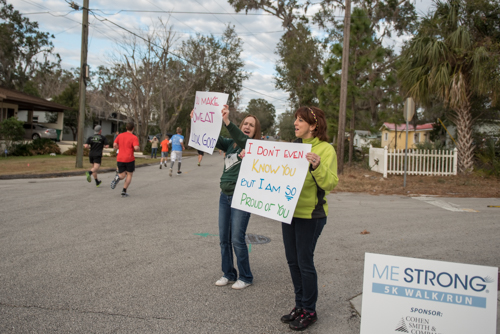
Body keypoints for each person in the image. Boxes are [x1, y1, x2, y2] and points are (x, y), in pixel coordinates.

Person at [280, 106, 338, 331]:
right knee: (292, 261)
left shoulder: (325, 149)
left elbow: (330, 183)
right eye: (295, 119)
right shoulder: (292, 147)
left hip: (311, 214)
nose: (296, 123)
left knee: (304, 262)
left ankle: (310, 310)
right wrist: (249, 157)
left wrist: (317, 166)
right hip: (288, 212)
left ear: (314, 126)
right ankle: (299, 306)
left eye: (301, 120)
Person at [191, 105, 261, 290]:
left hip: (242, 197)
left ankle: (246, 277)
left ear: (256, 131)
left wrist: (227, 121)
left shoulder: (254, 147)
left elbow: (242, 139)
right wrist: (196, 122)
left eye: (251, 125)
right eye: (245, 123)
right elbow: (209, 139)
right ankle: (229, 273)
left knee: (237, 238)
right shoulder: (230, 143)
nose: (247, 126)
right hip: (225, 196)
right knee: (224, 238)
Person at [110, 122, 140, 197]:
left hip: (120, 158)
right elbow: (136, 148)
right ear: (133, 128)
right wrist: (138, 148)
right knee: (129, 174)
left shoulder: (120, 135)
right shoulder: (134, 137)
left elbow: (114, 145)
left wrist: (119, 147)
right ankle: (124, 190)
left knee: (122, 174)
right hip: (129, 158)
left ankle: (118, 177)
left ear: (126, 128)